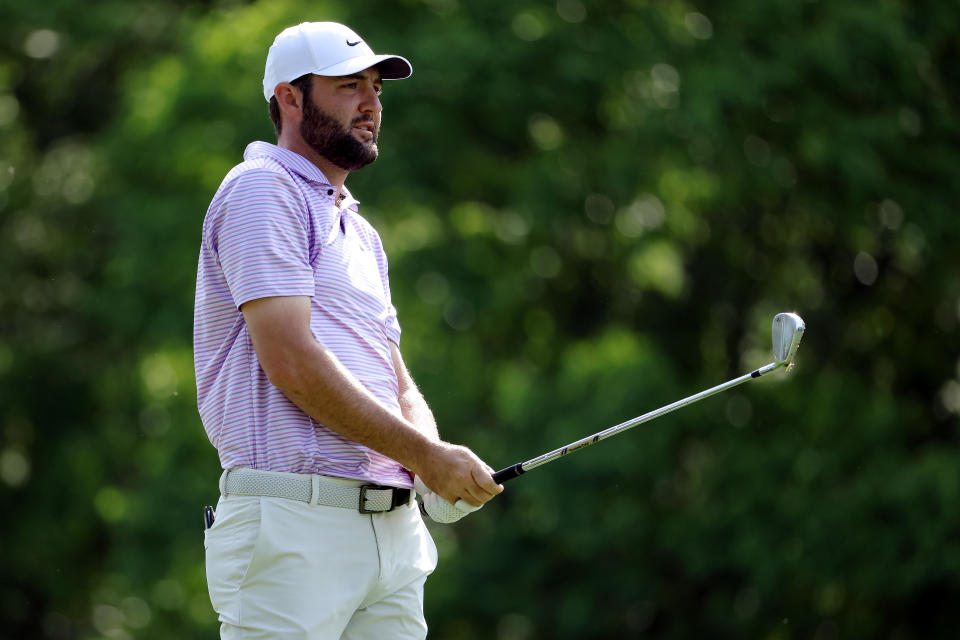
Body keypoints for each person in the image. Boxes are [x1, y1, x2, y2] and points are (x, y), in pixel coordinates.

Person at [193, 21, 503, 639]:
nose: (371, 104)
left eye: (376, 89)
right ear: (289, 98)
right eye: (347, 87)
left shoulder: (361, 233)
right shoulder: (262, 189)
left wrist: (431, 467)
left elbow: (396, 379)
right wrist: (425, 456)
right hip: (293, 522)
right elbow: (291, 361)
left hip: (391, 533)